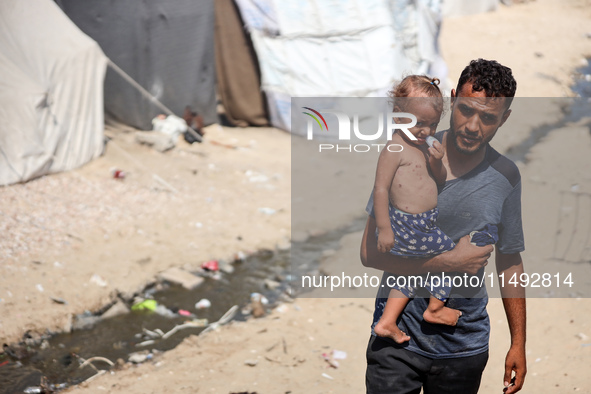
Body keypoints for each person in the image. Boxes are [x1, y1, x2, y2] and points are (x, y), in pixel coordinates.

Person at [361, 59, 526, 394]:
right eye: (466, 110)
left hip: (463, 344)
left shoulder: (506, 178)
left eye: (488, 117)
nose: (472, 126)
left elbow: (509, 260)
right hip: (397, 343)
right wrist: (448, 263)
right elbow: (368, 253)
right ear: (452, 99)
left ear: (504, 118)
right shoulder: (408, 150)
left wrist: (518, 343)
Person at [372, 75, 499, 345]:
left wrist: (437, 162)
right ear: (398, 116)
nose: (425, 132)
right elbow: (381, 189)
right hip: (408, 226)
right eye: (418, 123)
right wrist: (383, 228)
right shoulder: (394, 148)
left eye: (431, 125)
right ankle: (435, 308)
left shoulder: (421, 147)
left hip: (422, 224)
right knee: (451, 257)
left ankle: (388, 321)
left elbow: (438, 181)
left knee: (406, 273)